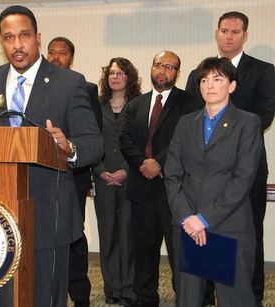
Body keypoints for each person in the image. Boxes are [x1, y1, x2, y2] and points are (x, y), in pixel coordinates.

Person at [0, 5, 103, 306]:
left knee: (45, 297)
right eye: (8, 38)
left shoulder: (70, 82)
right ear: (1, 42)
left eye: (24, 35)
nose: (17, 45)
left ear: (37, 37)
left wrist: (68, 146)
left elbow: (94, 144)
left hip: (49, 212)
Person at [185, 11, 275, 306]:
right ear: (217, 33)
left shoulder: (264, 70)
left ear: (244, 35)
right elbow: (189, 122)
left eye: (236, 32)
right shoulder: (198, 73)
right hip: (201, 173)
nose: (229, 36)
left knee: (248, 237)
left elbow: (264, 114)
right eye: (224, 30)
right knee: (202, 230)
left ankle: (252, 295)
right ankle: (208, 296)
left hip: (245, 168)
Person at [165, 56, 262, 307]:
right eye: (204, 80)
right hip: (188, 227)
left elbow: (243, 179)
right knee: (188, 299)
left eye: (218, 79)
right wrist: (187, 217)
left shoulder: (248, 123)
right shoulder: (186, 123)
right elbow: (173, 174)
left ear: (231, 85)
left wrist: (204, 219)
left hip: (228, 226)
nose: (210, 85)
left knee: (234, 299)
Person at [120, 51, 202, 307]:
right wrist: (143, 163)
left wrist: (159, 163)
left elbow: (185, 139)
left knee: (180, 253)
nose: (163, 70)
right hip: (141, 187)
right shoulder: (134, 104)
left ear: (177, 72)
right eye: (159, 65)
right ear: (151, 67)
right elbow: (123, 139)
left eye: (170, 67)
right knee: (143, 252)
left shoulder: (190, 103)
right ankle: (145, 300)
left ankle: (185, 300)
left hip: (175, 190)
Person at [46, 36, 102, 307]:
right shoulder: (36, 89)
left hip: (74, 176)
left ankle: (80, 295)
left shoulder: (85, 87)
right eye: (52, 52)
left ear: (71, 58)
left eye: (63, 53)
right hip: (41, 175)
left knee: (74, 236)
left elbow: (93, 135)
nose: (56, 57)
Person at [93, 57, 141, 306]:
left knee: (128, 235)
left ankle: (128, 290)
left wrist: (125, 170)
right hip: (103, 178)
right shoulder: (97, 107)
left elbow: (141, 144)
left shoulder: (139, 106)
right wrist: (100, 170)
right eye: (111, 72)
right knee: (108, 234)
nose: (115, 76)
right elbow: (91, 141)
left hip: (130, 177)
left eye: (121, 72)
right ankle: (112, 289)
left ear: (129, 78)